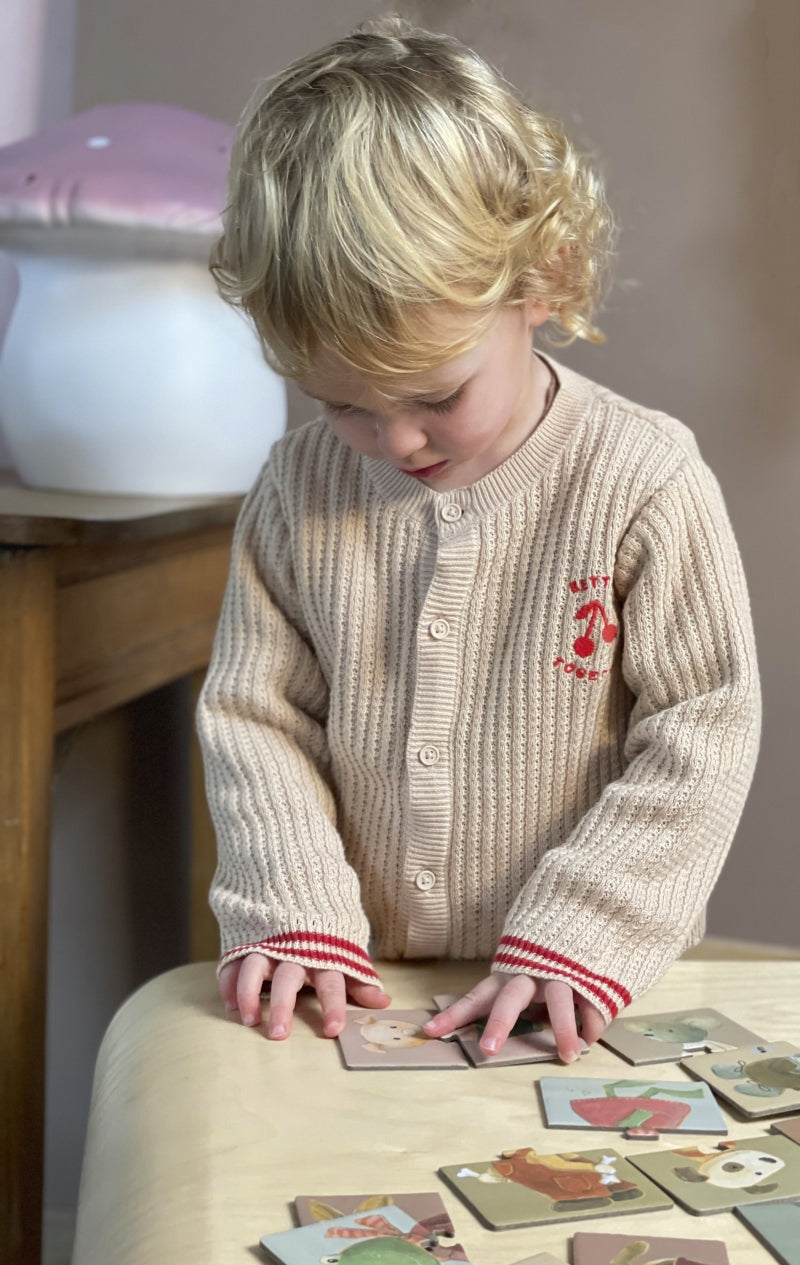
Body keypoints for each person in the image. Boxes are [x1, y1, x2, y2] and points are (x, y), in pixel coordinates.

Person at [197, 18, 760, 1063]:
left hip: (581, 989)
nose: (394, 441)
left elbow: (704, 726)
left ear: (540, 279)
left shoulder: (642, 480)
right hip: (359, 985)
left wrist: (581, 932)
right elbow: (255, 716)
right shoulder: (295, 491)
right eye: (342, 404)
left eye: (435, 395)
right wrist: (291, 899)